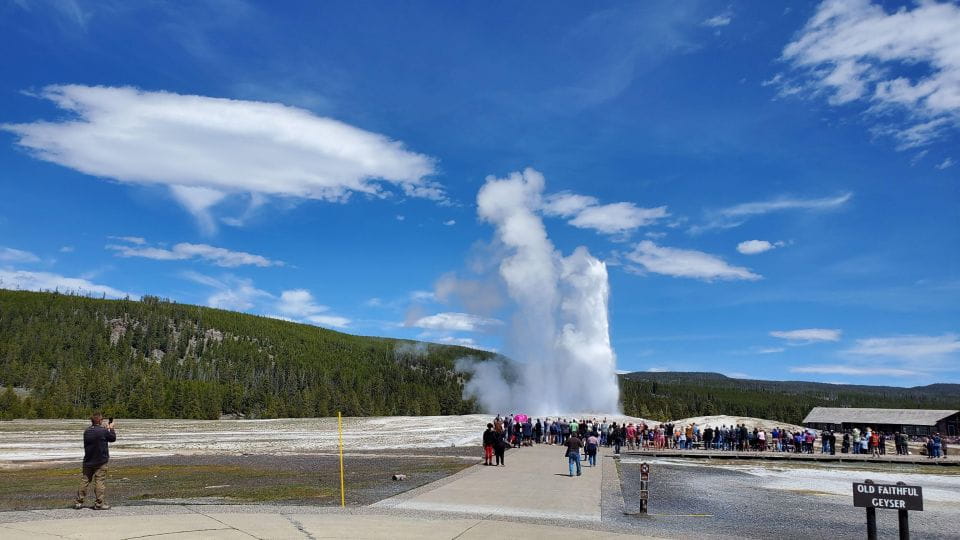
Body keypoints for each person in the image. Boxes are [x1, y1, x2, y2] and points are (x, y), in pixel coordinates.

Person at [75, 413, 116, 510]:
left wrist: (106, 429)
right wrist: (111, 428)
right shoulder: (103, 431)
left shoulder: (87, 431)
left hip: (88, 460)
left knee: (84, 481)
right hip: (101, 461)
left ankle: (78, 502)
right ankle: (99, 504)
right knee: (99, 482)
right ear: (100, 421)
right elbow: (113, 438)